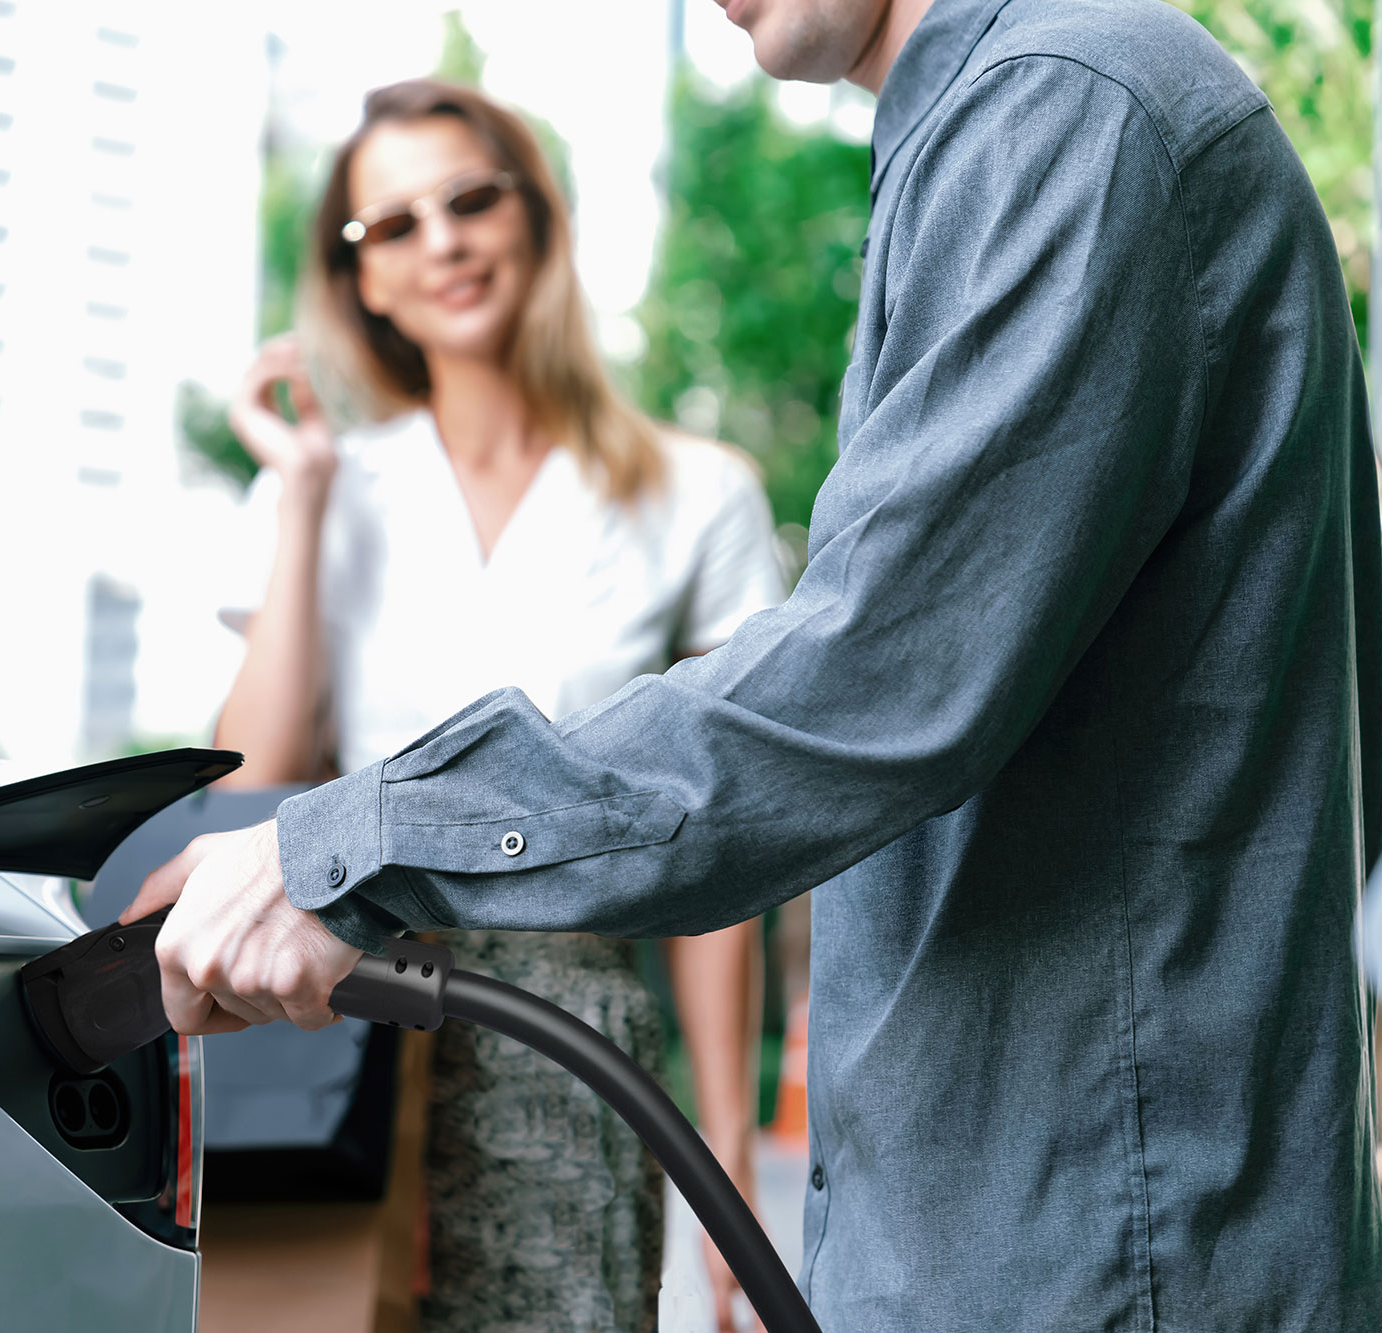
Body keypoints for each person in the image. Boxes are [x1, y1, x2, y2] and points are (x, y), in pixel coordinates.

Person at [128, 0, 1382, 1325]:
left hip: (1096, 1241)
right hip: (1022, 1208)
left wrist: (367, 840)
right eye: (390, 226)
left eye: (469, 201)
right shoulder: (998, 138)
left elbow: (861, 689)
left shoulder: (1069, 114)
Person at [208, 78, 785, 1331]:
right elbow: (252, 775)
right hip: (334, 1024)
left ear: (534, 216)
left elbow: (715, 843)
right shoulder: (327, 490)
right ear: (359, 280)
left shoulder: (696, 495)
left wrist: (726, 1145)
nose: (445, 242)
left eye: (470, 199)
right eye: (393, 226)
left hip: (570, 1031)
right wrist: (302, 494)